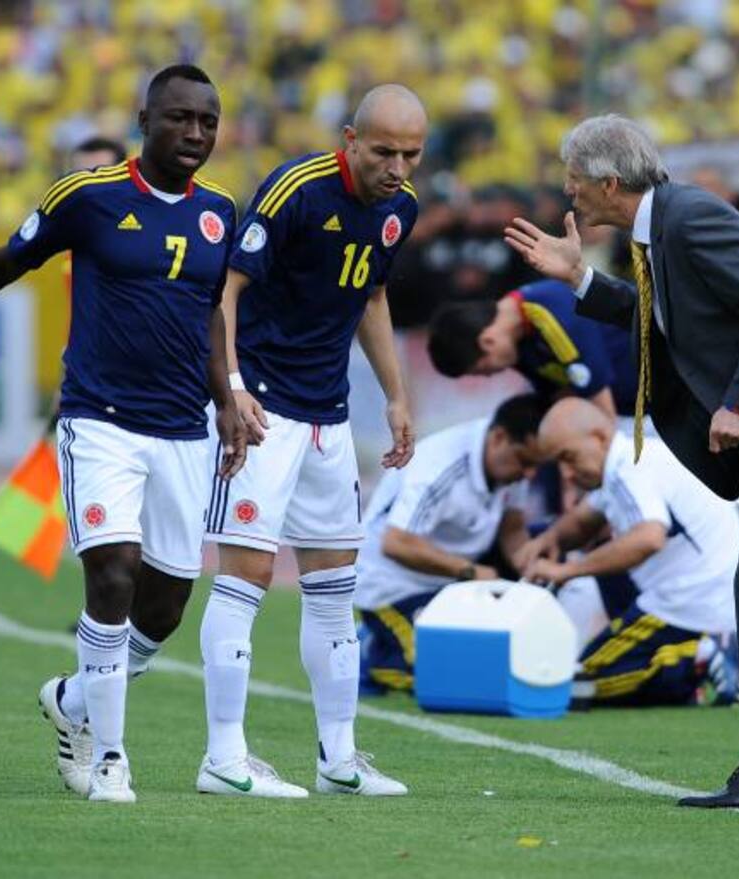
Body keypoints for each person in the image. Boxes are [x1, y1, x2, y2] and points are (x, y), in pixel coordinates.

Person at [0, 64, 246, 804]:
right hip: (100, 420)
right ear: (144, 119)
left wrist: (227, 398)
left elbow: (211, 314)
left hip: (186, 430)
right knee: (113, 572)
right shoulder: (88, 196)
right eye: (180, 118)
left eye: (208, 122)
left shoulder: (221, 212)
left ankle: (73, 700)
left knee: (164, 606)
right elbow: (10, 257)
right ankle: (112, 758)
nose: (195, 133)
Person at [504, 114, 739, 808]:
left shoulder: (692, 217)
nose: (568, 192)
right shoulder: (660, 226)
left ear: (610, 182)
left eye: (575, 180)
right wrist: (579, 277)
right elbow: (660, 319)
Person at [199, 84, 425, 798]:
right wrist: (231, 385)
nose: (397, 166)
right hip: (263, 410)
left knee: (333, 592)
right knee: (245, 580)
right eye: (384, 150)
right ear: (351, 137)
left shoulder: (401, 209)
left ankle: (339, 759)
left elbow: (372, 298)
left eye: (410, 154)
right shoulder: (296, 188)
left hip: (328, 415)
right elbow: (226, 290)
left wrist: (394, 394)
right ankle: (224, 758)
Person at [518, 399, 739, 708]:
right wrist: (551, 538)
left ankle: (697, 658)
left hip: (688, 604)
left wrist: (565, 570)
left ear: (599, 437)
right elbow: (586, 517)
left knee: (578, 684)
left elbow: (649, 538)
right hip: (709, 595)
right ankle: (695, 671)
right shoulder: (632, 457)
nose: (566, 474)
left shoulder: (627, 468)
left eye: (567, 458)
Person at [354, 393, 546, 693]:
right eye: (525, 462)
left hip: (452, 587)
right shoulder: (439, 467)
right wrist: (469, 571)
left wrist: (529, 563)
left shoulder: (513, 466)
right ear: (498, 438)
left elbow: (512, 527)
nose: (530, 474)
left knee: (485, 668)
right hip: (391, 586)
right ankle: (368, 653)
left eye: (536, 465)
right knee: (439, 677)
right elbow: (396, 543)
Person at [427, 280, 636, 421]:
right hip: (631, 413)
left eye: (483, 370)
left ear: (487, 342)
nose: (491, 375)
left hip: (658, 399)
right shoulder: (516, 343)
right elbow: (561, 400)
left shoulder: (554, 312)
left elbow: (602, 416)